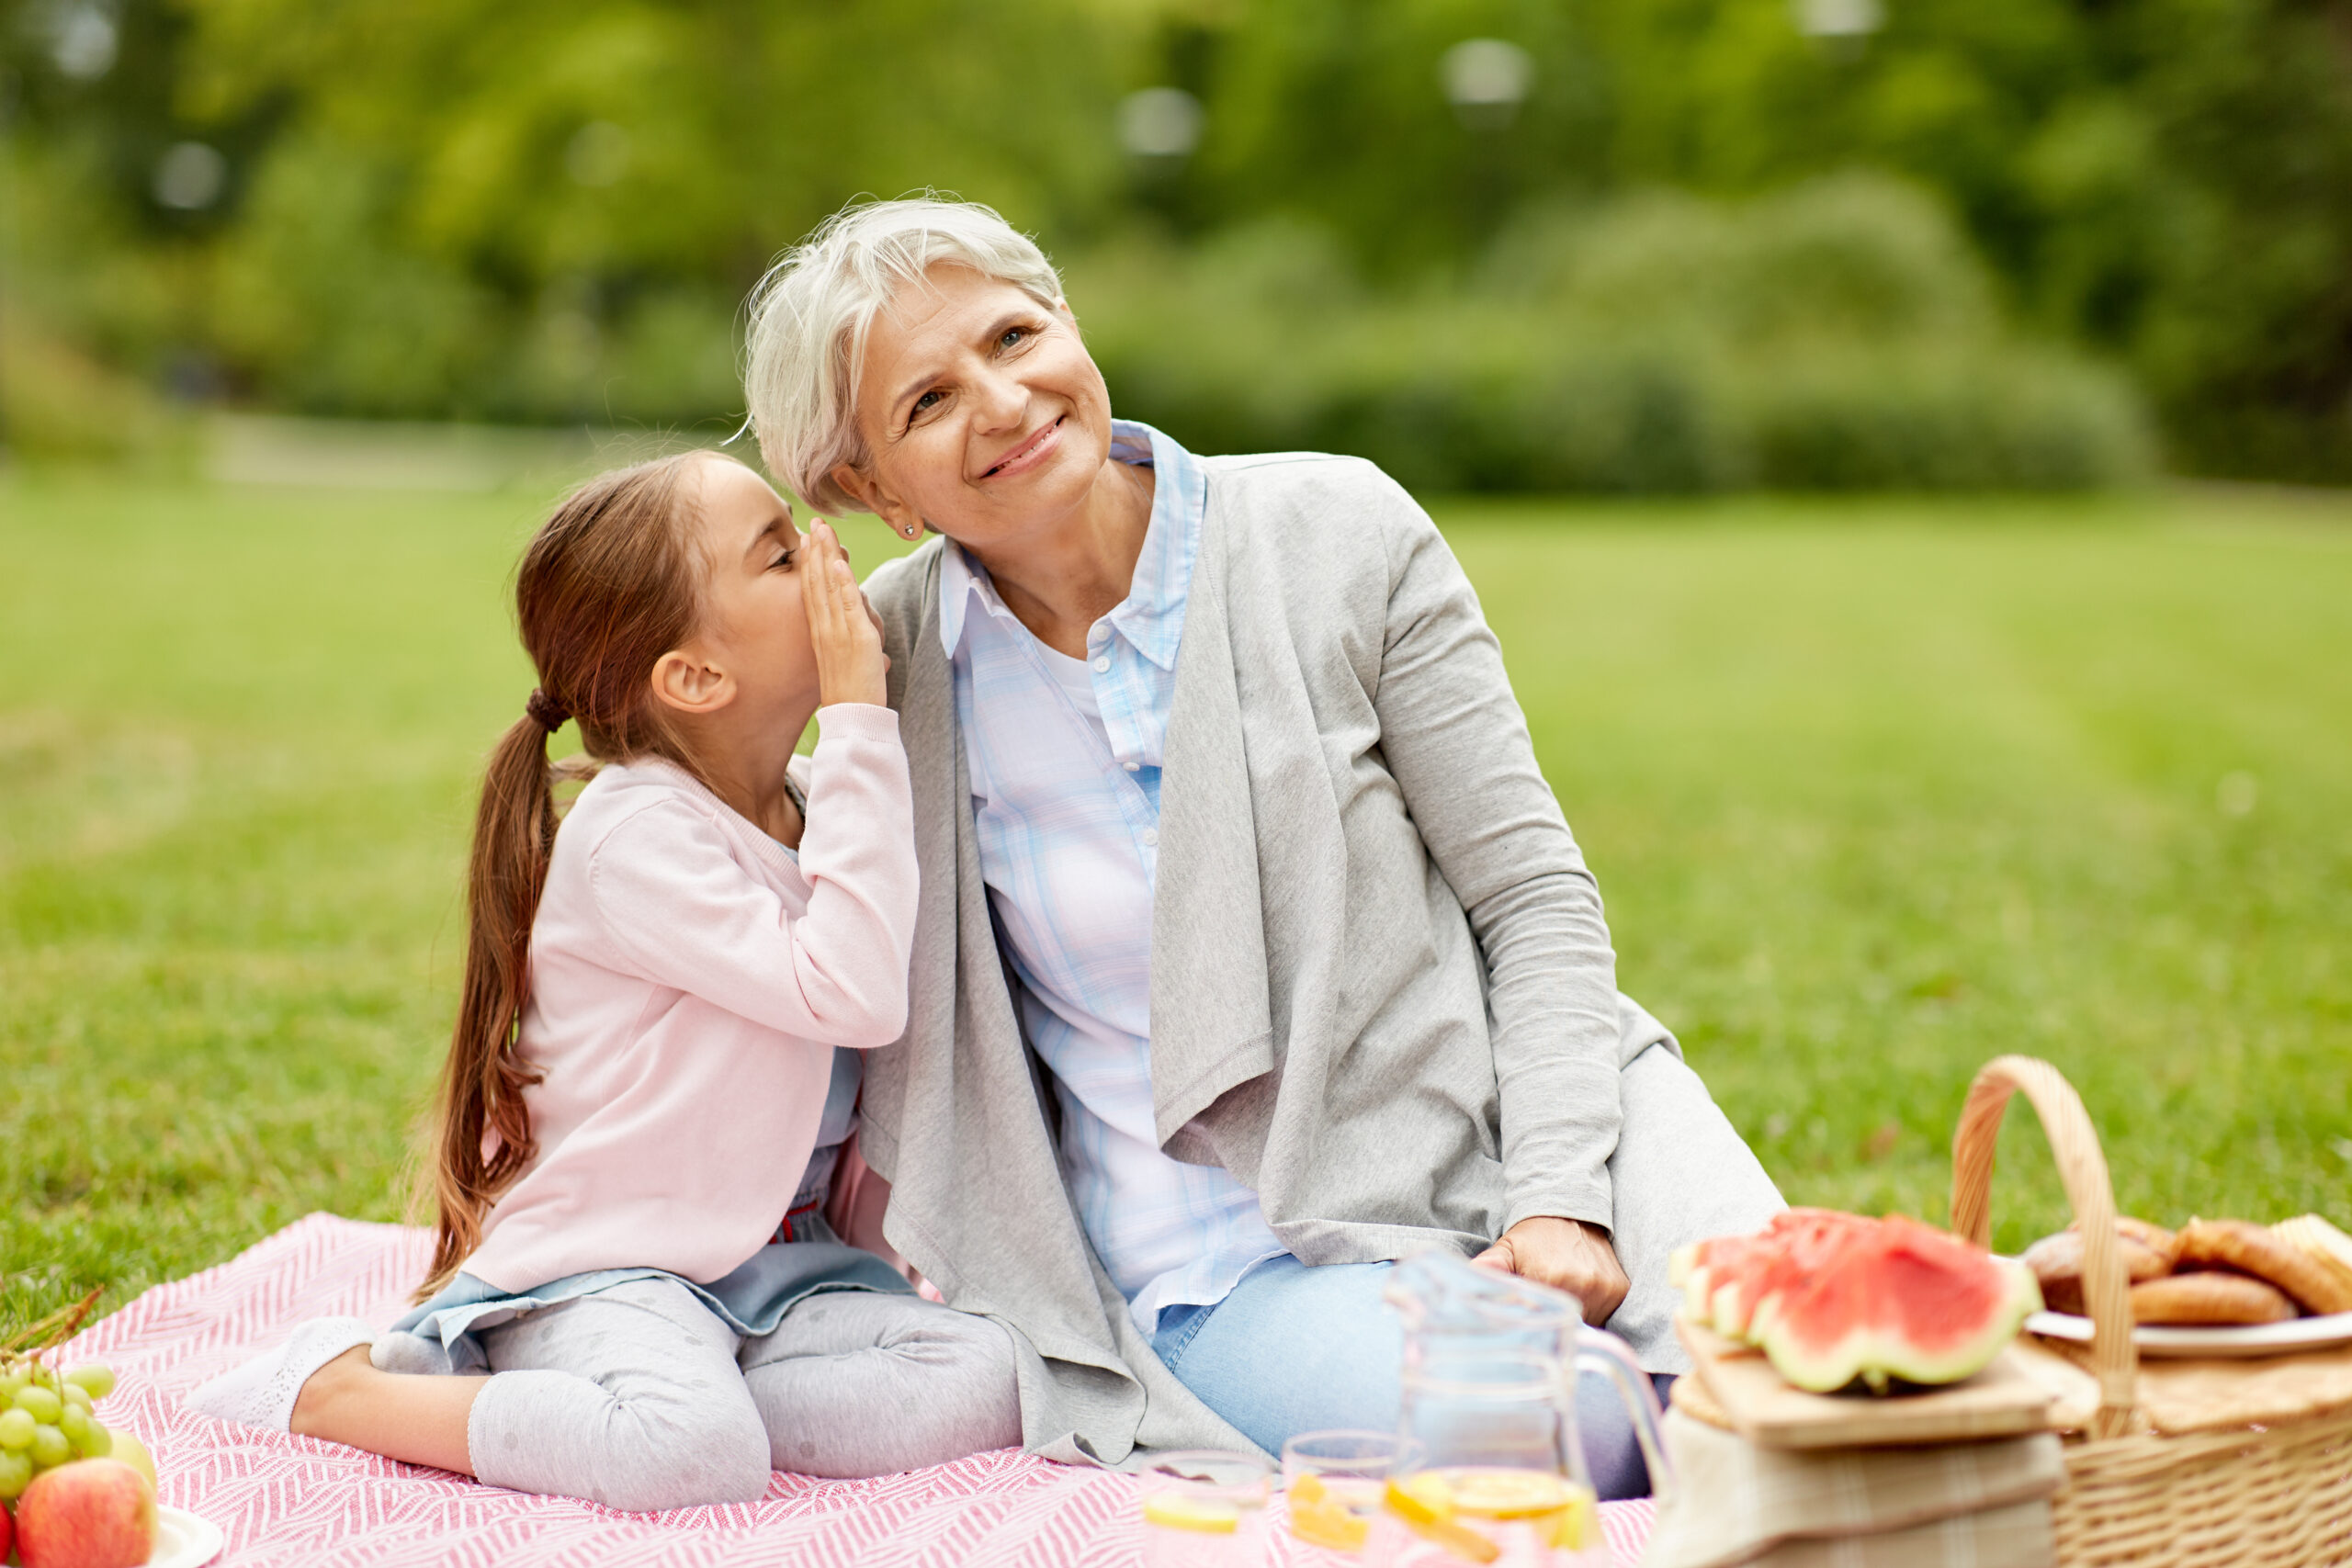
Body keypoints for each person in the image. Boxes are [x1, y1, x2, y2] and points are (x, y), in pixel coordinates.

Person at [741, 198, 1785, 1495]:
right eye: (929, 401)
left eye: (1015, 336)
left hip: (1551, 1115)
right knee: (1558, 1424)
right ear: (868, 486)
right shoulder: (884, 669)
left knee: (1808, 1371)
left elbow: (1533, 897)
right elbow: (747, 904)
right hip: (1230, 1259)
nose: (1004, 401)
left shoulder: (1337, 528)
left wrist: (1560, 1193)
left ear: (1069, 321)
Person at [188, 452, 1022, 1510]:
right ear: (695, 678)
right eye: (778, 553)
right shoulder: (633, 836)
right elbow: (850, 991)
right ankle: (339, 1390)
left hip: (766, 1277)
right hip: (609, 1271)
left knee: (986, 1372)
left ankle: (635, 1409)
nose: (827, 552)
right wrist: (861, 717)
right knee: (695, 1461)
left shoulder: (821, 807)